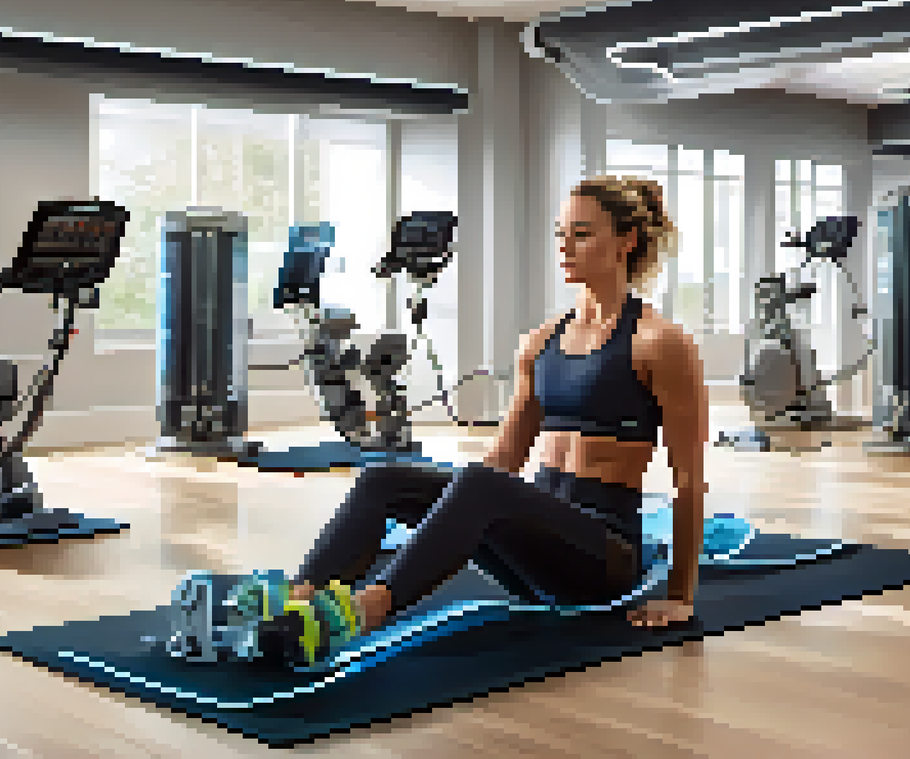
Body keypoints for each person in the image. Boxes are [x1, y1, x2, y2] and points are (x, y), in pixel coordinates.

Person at [287, 175, 708, 636]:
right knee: (383, 478)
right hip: (531, 552)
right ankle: (296, 602)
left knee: (480, 485)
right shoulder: (540, 342)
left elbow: (688, 479)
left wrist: (680, 595)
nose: (565, 247)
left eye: (582, 234)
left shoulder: (660, 343)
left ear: (627, 240)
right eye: (560, 234)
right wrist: (449, 512)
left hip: (603, 560)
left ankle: (372, 608)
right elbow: (505, 459)